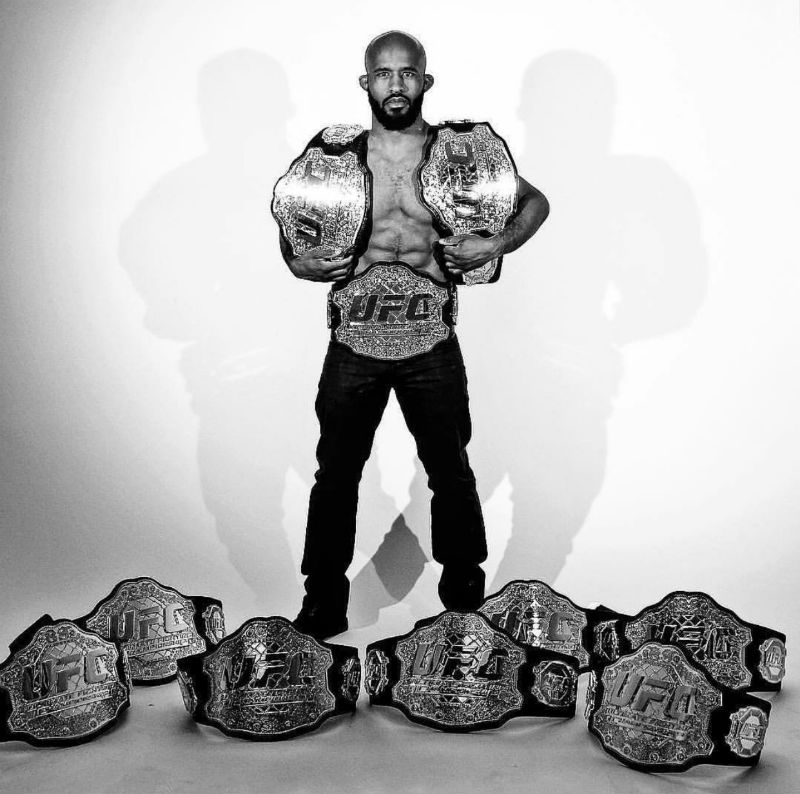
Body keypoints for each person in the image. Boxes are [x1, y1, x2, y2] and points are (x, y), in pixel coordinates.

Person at [280, 31, 550, 639]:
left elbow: (534, 203)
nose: (395, 84)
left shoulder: (463, 151)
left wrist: (496, 241)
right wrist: (298, 262)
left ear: (425, 82)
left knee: (449, 469)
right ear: (365, 82)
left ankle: (463, 602)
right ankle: (322, 601)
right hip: (354, 337)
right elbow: (292, 220)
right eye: (383, 73)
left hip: (431, 338)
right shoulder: (333, 155)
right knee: (336, 473)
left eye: (408, 73)